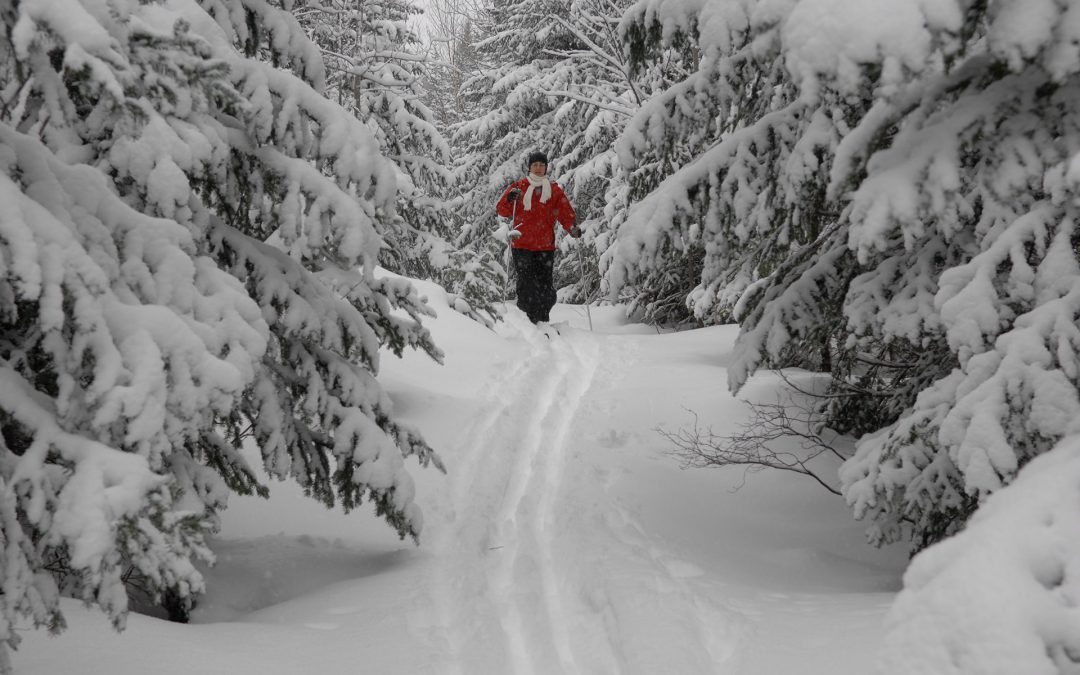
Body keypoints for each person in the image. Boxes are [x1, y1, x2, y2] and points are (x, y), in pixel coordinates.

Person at [496, 151, 581, 324]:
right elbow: (502, 210)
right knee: (526, 285)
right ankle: (527, 319)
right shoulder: (519, 187)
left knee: (546, 287)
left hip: (545, 246)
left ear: (546, 168)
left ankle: (542, 319)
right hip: (522, 245)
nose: (538, 168)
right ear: (529, 167)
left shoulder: (554, 191)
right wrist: (509, 200)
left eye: (542, 165)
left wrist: (572, 227)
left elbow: (565, 213)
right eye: (535, 165)